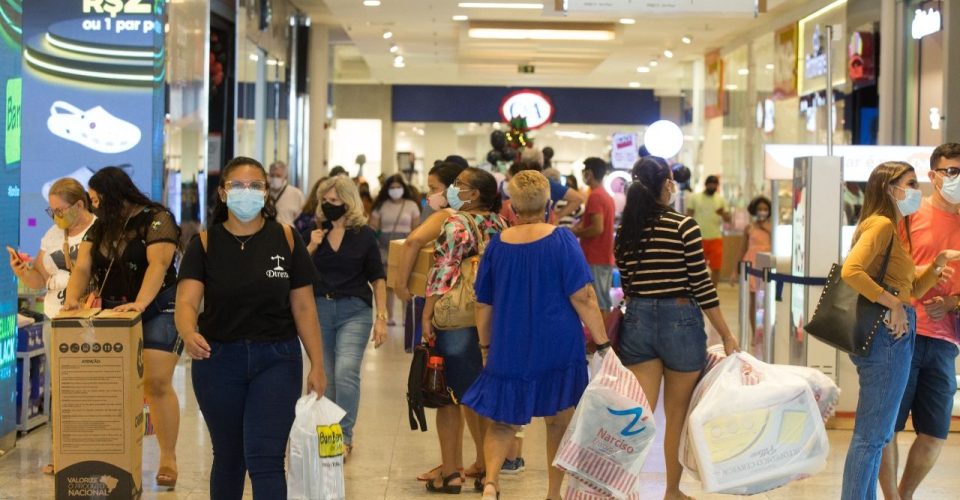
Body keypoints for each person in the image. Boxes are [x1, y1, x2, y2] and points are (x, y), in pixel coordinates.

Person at [175, 156, 326, 499]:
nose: (248, 192)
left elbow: (303, 306)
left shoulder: (286, 239)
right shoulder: (204, 244)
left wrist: (317, 363)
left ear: (266, 194)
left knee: (266, 459)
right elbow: (186, 302)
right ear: (223, 193)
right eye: (238, 185)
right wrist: (187, 332)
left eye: (256, 186)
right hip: (217, 361)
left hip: (276, 359)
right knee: (228, 458)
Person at [462, 170, 610, 500]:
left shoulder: (497, 246)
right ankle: (553, 493)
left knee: (501, 421)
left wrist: (486, 346)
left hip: (508, 342)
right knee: (558, 421)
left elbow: (483, 304)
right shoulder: (562, 240)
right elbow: (583, 296)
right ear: (547, 204)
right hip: (557, 344)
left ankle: (491, 483)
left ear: (511, 205)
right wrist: (602, 341)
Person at [615, 156, 740, 500]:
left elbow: (627, 285)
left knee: (637, 415)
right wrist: (727, 334)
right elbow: (702, 286)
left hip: (637, 320)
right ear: (665, 185)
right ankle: (672, 491)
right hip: (680, 321)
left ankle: (628, 489)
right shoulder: (684, 226)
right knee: (677, 415)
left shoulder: (625, 232)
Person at [839, 161, 960, 500]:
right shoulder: (880, 224)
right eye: (909, 183)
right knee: (872, 436)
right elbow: (852, 271)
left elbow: (911, 292)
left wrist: (936, 266)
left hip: (892, 336)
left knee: (874, 436)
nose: (915, 190)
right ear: (889, 188)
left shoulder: (892, 226)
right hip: (887, 338)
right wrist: (891, 303)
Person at [63, 167, 183, 488]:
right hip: (115, 313)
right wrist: (72, 300)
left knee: (156, 382)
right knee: (111, 386)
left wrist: (141, 304)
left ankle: (168, 457)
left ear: (112, 195)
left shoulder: (157, 219)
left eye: (95, 199)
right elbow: (83, 266)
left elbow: (158, 265)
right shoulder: (100, 228)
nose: (93, 205)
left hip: (159, 307)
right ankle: (116, 456)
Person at [879, 144, 960, 500]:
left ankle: (905, 493)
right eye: (952, 171)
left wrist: (955, 301)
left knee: (934, 433)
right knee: (888, 427)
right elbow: (882, 270)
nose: (957, 179)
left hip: (945, 341)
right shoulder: (909, 217)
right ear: (933, 176)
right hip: (902, 333)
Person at [422, 167, 507, 494]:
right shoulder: (501, 224)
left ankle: (450, 473)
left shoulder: (456, 224)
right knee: (481, 396)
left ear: (475, 195)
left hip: (457, 318)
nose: (453, 189)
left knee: (449, 396)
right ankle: (487, 470)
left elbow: (442, 271)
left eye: (460, 185)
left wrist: (427, 314)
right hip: (491, 319)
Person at [6, 178, 96, 475]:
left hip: (90, 318)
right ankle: (62, 452)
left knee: (89, 387)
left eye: (60, 210)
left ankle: (94, 451)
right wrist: (22, 271)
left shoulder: (99, 230)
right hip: (55, 319)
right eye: (52, 211)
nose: (56, 216)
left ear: (80, 205)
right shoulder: (52, 234)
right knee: (60, 387)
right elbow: (38, 279)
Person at [391, 160, 472, 483]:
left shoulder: (446, 218)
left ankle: (451, 468)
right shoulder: (487, 219)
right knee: (470, 393)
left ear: (454, 189)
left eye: (435, 189)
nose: (430, 196)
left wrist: (399, 283)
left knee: (447, 394)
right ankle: (477, 465)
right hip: (478, 312)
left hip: (447, 311)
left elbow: (412, 242)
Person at [303, 175, 389, 457]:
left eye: (335, 201)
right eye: (325, 201)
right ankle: (328, 436)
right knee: (323, 374)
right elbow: (297, 274)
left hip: (355, 309)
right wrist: (312, 246)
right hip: (320, 309)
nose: (328, 206)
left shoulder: (363, 234)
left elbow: (377, 277)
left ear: (348, 202)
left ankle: (345, 435)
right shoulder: (314, 231)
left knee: (346, 371)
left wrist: (381, 317)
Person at [572, 157, 616, 312]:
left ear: (589, 173)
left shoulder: (596, 196)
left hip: (596, 256)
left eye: (584, 172)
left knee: (598, 302)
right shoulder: (605, 195)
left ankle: (602, 336)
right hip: (604, 256)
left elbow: (597, 228)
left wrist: (577, 232)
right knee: (602, 299)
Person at [735, 196, 773, 341]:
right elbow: (742, 249)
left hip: (767, 264)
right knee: (753, 301)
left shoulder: (772, 227)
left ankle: (767, 331)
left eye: (765, 209)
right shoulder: (749, 227)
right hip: (751, 263)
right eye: (759, 209)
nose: (762, 212)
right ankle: (754, 333)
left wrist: (767, 228)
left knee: (767, 300)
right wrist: (735, 270)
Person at [686, 175, 730, 285]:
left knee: (716, 267)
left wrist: (723, 214)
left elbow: (728, 219)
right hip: (698, 238)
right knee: (696, 267)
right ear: (706, 185)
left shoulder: (720, 199)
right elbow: (688, 215)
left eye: (715, 184)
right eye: (710, 184)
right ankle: (697, 289)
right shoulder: (695, 198)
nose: (712, 186)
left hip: (715, 238)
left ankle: (713, 290)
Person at [268, 160, 306, 225]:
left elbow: (302, 219)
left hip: (289, 232)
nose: (275, 178)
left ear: (286, 177)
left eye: (278, 176)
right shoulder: (264, 192)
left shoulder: (296, 194)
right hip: (268, 232)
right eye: (272, 175)